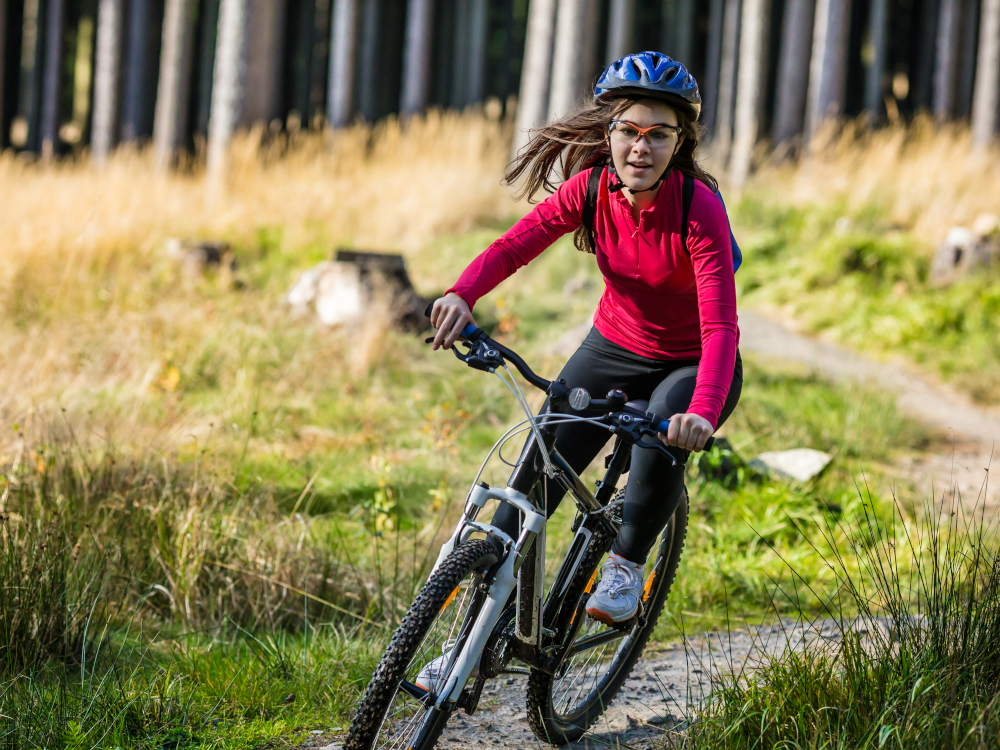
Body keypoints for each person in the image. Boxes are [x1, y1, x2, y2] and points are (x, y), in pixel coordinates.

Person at [429, 51, 742, 626]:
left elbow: (721, 325)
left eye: (657, 134)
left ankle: (625, 566)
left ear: (681, 142)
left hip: (692, 361)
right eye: (628, 131)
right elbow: (514, 246)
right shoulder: (590, 188)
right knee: (530, 484)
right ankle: (463, 646)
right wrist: (461, 294)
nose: (640, 148)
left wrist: (701, 410)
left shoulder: (698, 209)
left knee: (661, 437)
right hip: (614, 345)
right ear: (609, 132)